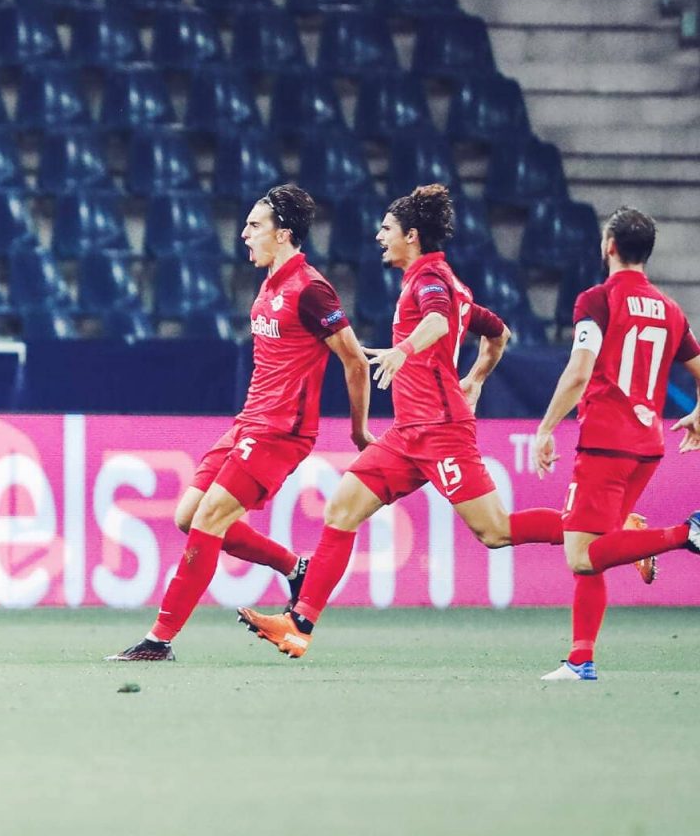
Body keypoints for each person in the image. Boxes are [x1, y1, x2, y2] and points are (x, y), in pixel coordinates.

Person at [238, 184, 574, 659]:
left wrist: (403, 350)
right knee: (341, 510)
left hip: (440, 430)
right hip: (407, 433)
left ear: (411, 236)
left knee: (495, 531)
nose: (379, 237)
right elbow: (498, 333)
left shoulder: (429, 279)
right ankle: (299, 624)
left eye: (387, 229)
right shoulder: (444, 282)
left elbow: (439, 322)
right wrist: (475, 378)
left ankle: (600, 528)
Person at [108, 185, 374, 661]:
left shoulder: (311, 289)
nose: (244, 234)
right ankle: (295, 568)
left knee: (209, 520)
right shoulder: (270, 283)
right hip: (249, 423)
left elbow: (353, 360)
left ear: (283, 234)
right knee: (188, 517)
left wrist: (359, 430)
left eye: (254, 226)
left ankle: (159, 640)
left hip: (280, 431)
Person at [530, 206, 700, 681]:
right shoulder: (670, 309)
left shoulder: (597, 299)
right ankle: (580, 660)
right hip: (648, 445)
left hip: (607, 442)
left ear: (608, 246)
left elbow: (579, 371)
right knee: (596, 552)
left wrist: (546, 427)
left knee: (580, 553)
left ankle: (686, 533)